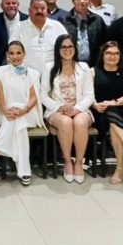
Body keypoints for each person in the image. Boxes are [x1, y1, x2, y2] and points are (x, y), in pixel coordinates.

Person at [0, 41, 42, 185]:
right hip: (7, 113)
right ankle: (24, 172)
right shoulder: (1, 71)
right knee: (19, 127)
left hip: (28, 112)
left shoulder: (33, 73)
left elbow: (33, 98)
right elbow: (0, 96)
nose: (15, 57)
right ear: (7, 55)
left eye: (18, 53)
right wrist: (4, 109)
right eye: (12, 53)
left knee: (17, 117)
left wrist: (23, 110)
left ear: (24, 54)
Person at [42, 35, 94, 182]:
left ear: (74, 48)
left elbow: (90, 95)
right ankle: (67, 162)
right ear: (57, 50)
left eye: (70, 46)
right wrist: (60, 107)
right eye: (63, 47)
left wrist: (77, 108)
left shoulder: (83, 67)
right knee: (66, 122)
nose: (67, 50)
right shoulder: (49, 67)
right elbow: (43, 96)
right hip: (57, 110)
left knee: (80, 122)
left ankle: (79, 162)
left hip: (80, 109)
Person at [91, 41, 123, 184]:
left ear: (120, 56)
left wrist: (113, 102)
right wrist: (94, 105)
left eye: (116, 53)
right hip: (100, 112)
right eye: (108, 53)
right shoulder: (93, 71)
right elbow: (88, 94)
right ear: (102, 55)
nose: (112, 56)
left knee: (113, 123)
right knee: (111, 116)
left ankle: (120, 168)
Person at [13, 0, 68, 77]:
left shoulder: (57, 27)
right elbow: (12, 56)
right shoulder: (19, 27)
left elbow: (67, 51)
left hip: (53, 76)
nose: (39, 11)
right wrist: (20, 75)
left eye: (42, 8)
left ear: (47, 10)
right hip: (26, 76)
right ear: (29, 10)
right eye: (36, 8)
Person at [59, 0, 108, 67]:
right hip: (70, 64)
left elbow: (104, 43)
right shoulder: (64, 20)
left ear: (89, 1)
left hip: (93, 65)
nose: (82, 1)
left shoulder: (97, 20)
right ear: (73, 1)